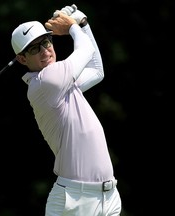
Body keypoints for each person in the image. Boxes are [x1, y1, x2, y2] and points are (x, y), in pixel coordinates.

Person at [10, 4, 122, 216]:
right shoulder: (46, 81)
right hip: (74, 201)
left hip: (108, 196)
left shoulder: (62, 82)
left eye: (46, 42)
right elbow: (86, 50)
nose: (45, 51)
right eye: (35, 48)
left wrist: (83, 25)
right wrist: (73, 26)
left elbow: (97, 71)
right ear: (22, 59)